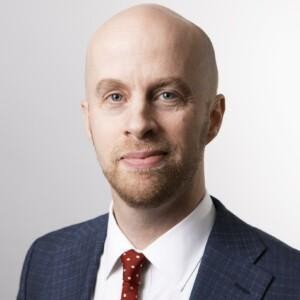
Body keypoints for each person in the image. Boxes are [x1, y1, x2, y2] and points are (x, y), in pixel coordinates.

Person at [17, 4, 300, 300]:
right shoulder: (45, 262)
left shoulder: (292, 283)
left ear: (213, 119)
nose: (139, 124)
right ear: (89, 121)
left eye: (167, 95)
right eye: (115, 96)